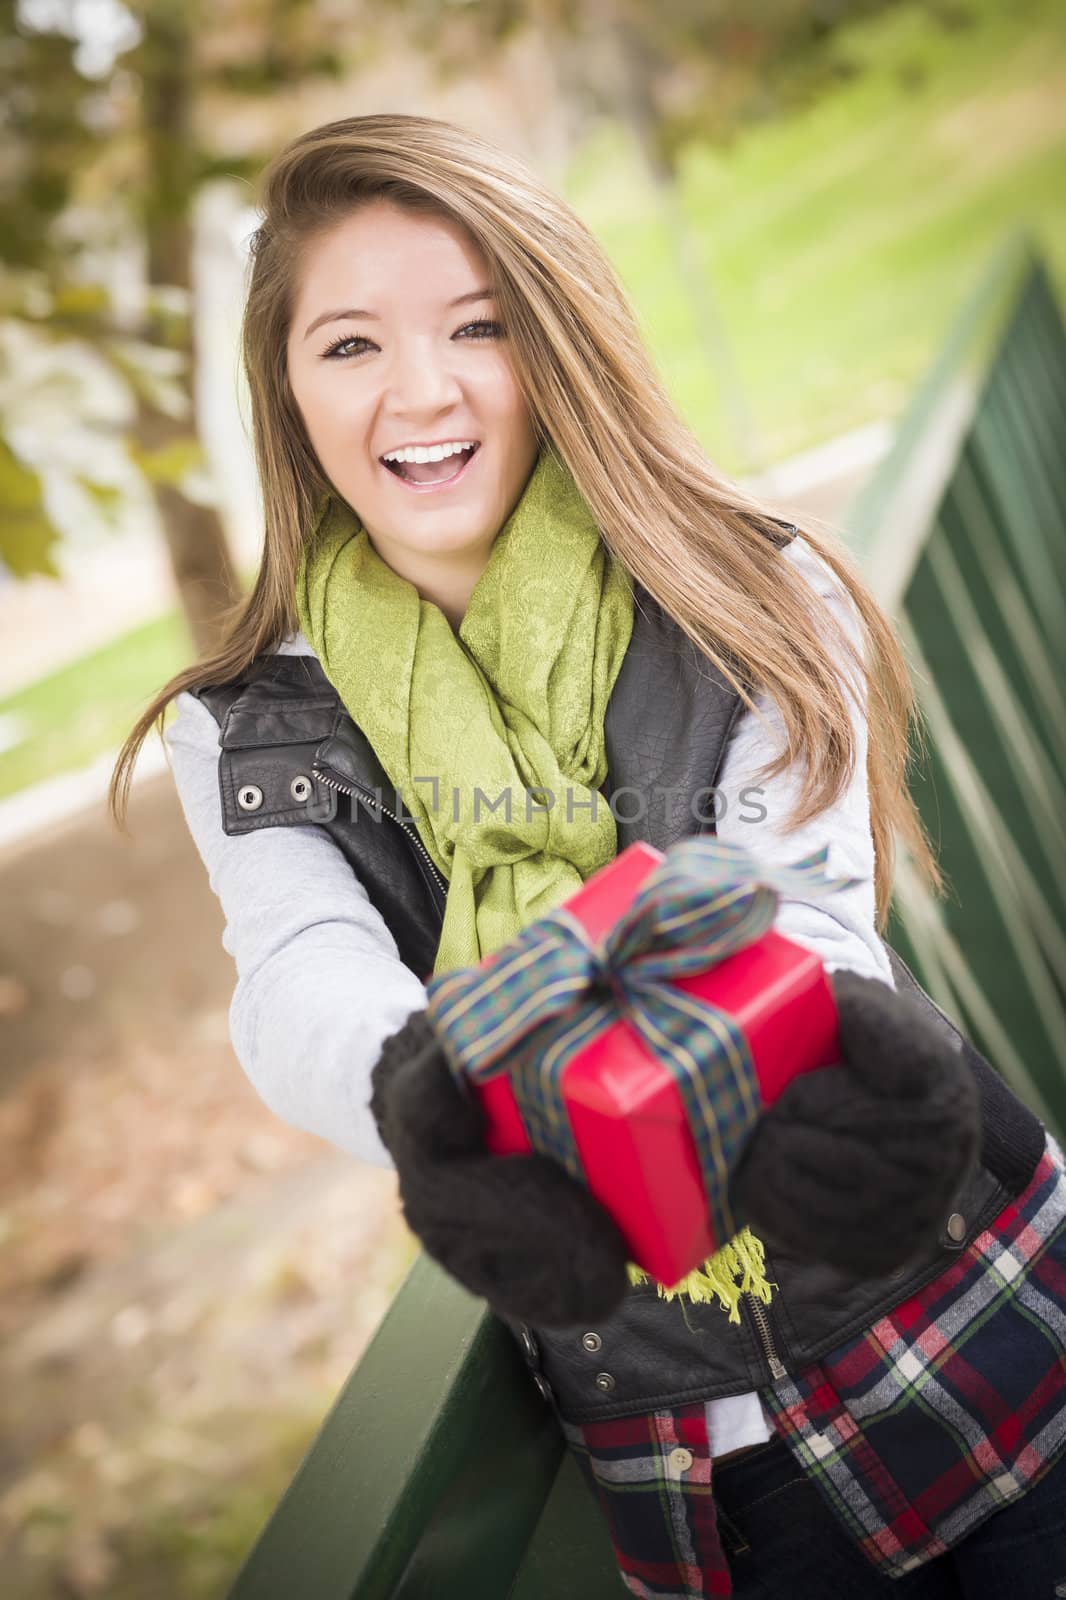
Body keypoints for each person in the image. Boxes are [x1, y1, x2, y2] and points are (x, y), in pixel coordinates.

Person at [110, 113, 1066, 1598]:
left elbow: (806, 926)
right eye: (349, 344)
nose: (418, 392)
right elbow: (298, 973)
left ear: (558, 340)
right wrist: (445, 1094)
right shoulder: (246, 727)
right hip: (688, 1459)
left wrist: (531, 1060)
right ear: (286, 390)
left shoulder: (747, 586)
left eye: (478, 326)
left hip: (974, 1316)